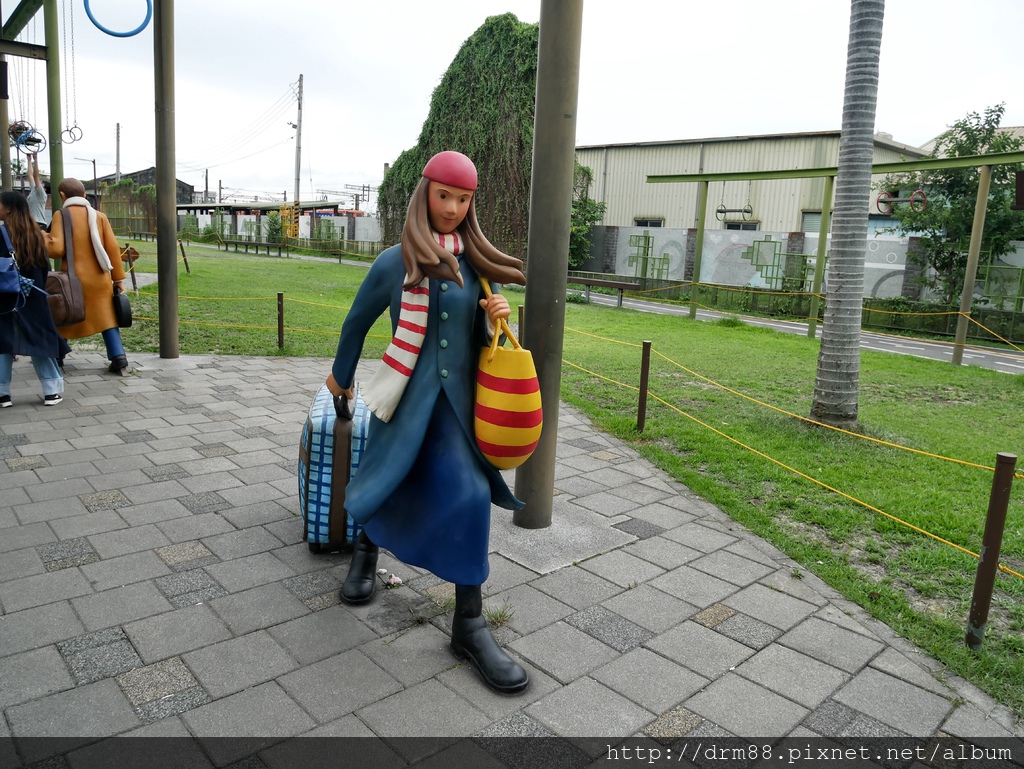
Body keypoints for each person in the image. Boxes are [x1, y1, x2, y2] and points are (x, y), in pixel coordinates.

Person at [326, 150, 530, 694]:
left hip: (457, 412)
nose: (453, 208)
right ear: (425, 194)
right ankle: (366, 552)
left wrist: (496, 321)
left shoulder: (476, 268)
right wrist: (340, 378)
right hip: (405, 402)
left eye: (464, 200)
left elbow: (483, 344)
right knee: (386, 479)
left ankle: (470, 622)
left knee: (467, 494)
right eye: (445, 196)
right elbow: (357, 321)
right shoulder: (394, 262)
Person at [46, 178, 129, 374]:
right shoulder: (99, 216)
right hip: (100, 279)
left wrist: (42, 237)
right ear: (85, 196)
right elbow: (112, 249)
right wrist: (117, 279)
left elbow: (57, 248)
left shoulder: (62, 215)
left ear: (62, 196)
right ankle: (119, 358)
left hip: (73, 279)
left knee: (65, 316)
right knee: (107, 319)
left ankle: (58, 356)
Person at [0, 192, 65, 406]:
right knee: (39, 340)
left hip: (5, 297)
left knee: (3, 342)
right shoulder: (36, 235)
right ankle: (51, 391)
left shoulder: (0, 234)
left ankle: (3, 394)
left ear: (8, 208)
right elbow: (44, 269)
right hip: (33, 295)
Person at [26, 153, 52, 230]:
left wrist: (36, 160)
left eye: (42, 184)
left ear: (45, 189)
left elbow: (36, 176)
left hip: (39, 224)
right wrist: (29, 160)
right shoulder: (33, 190)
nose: (39, 183)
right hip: (31, 222)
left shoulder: (41, 194)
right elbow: (30, 175)